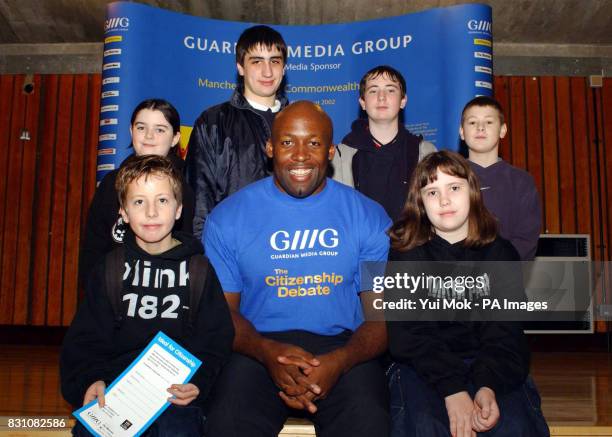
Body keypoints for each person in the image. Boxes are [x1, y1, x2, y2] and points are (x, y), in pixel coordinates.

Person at [203, 101, 392, 437]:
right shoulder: (228, 218)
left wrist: (339, 362)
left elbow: (380, 318)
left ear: (331, 151)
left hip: (344, 348)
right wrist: (266, 352)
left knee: (370, 422)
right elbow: (221, 315)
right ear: (270, 148)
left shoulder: (369, 217)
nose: (301, 155)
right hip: (256, 346)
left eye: (314, 143)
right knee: (226, 423)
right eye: (288, 142)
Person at [61, 155, 233, 437]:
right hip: (115, 391)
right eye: (139, 201)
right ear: (124, 213)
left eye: (162, 201)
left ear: (178, 209)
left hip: (176, 398)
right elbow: (84, 340)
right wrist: (89, 380)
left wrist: (199, 383)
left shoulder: (199, 270)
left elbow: (216, 341)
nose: (151, 212)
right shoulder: (110, 269)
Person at [386, 151, 549, 437]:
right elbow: (409, 335)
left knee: (513, 427)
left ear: (472, 192)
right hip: (424, 365)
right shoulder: (406, 254)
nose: (444, 200)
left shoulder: (500, 252)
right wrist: (454, 391)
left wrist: (488, 386)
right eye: (432, 191)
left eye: (454, 188)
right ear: (420, 203)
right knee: (428, 426)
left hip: (492, 362)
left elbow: (506, 331)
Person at [185, 25, 288, 237]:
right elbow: (199, 202)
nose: (267, 71)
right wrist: (206, 261)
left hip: (295, 251)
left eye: (275, 61)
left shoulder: (302, 123)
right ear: (240, 67)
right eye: (257, 61)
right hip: (232, 253)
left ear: (284, 68)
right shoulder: (212, 122)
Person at [79, 98, 195, 286]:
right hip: (114, 294)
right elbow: (93, 248)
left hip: (167, 292)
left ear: (175, 138)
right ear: (131, 131)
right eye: (141, 128)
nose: (149, 136)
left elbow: (190, 247)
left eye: (159, 129)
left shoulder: (186, 187)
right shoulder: (111, 183)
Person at [332, 65, 436, 221]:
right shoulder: (340, 156)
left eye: (391, 90)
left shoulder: (425, 153)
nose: (382, 97)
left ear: (403, 101)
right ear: (362, 102)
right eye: (373, 90)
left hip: (413, 243)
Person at [460, 96, 541, 260]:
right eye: (472, 122)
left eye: (489, 122)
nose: (480, 128)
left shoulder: (521, 181)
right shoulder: (448, 178)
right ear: (462, 132)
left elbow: (526, 239)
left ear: (502, 130)